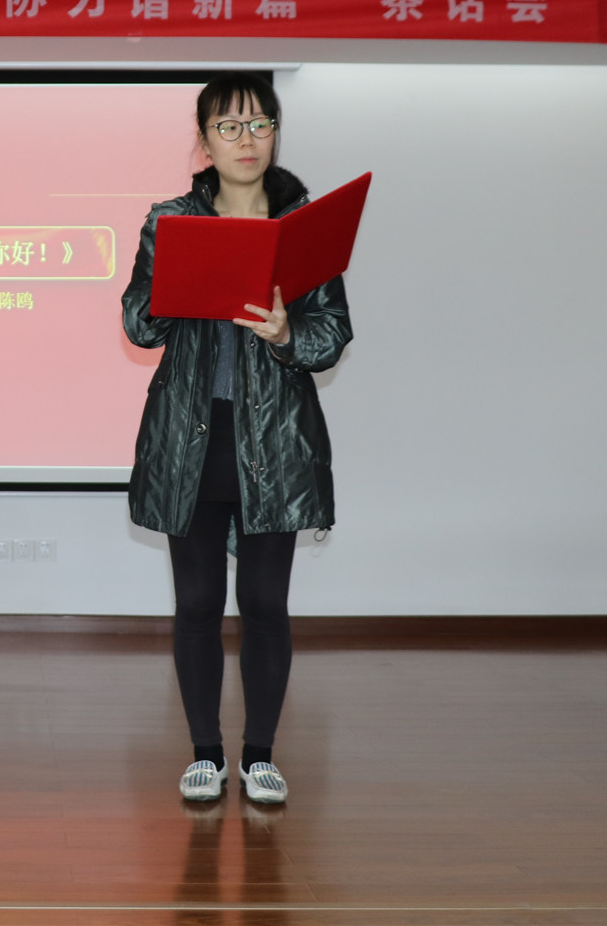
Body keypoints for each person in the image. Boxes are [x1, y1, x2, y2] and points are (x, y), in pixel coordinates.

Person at [120, 72, 353, 807]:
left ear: (276, 132)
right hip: (190, 441)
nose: (246, 139)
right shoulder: (171, 221)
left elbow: (331, 335)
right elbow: (137, 323)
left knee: (264, 604)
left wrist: (286, 332)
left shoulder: (304, 225)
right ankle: (203, 754)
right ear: (204, 140)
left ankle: (259, 755)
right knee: (196, 603)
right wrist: (173, 288)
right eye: (229, 126)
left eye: (260, 124)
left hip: (275, 442)